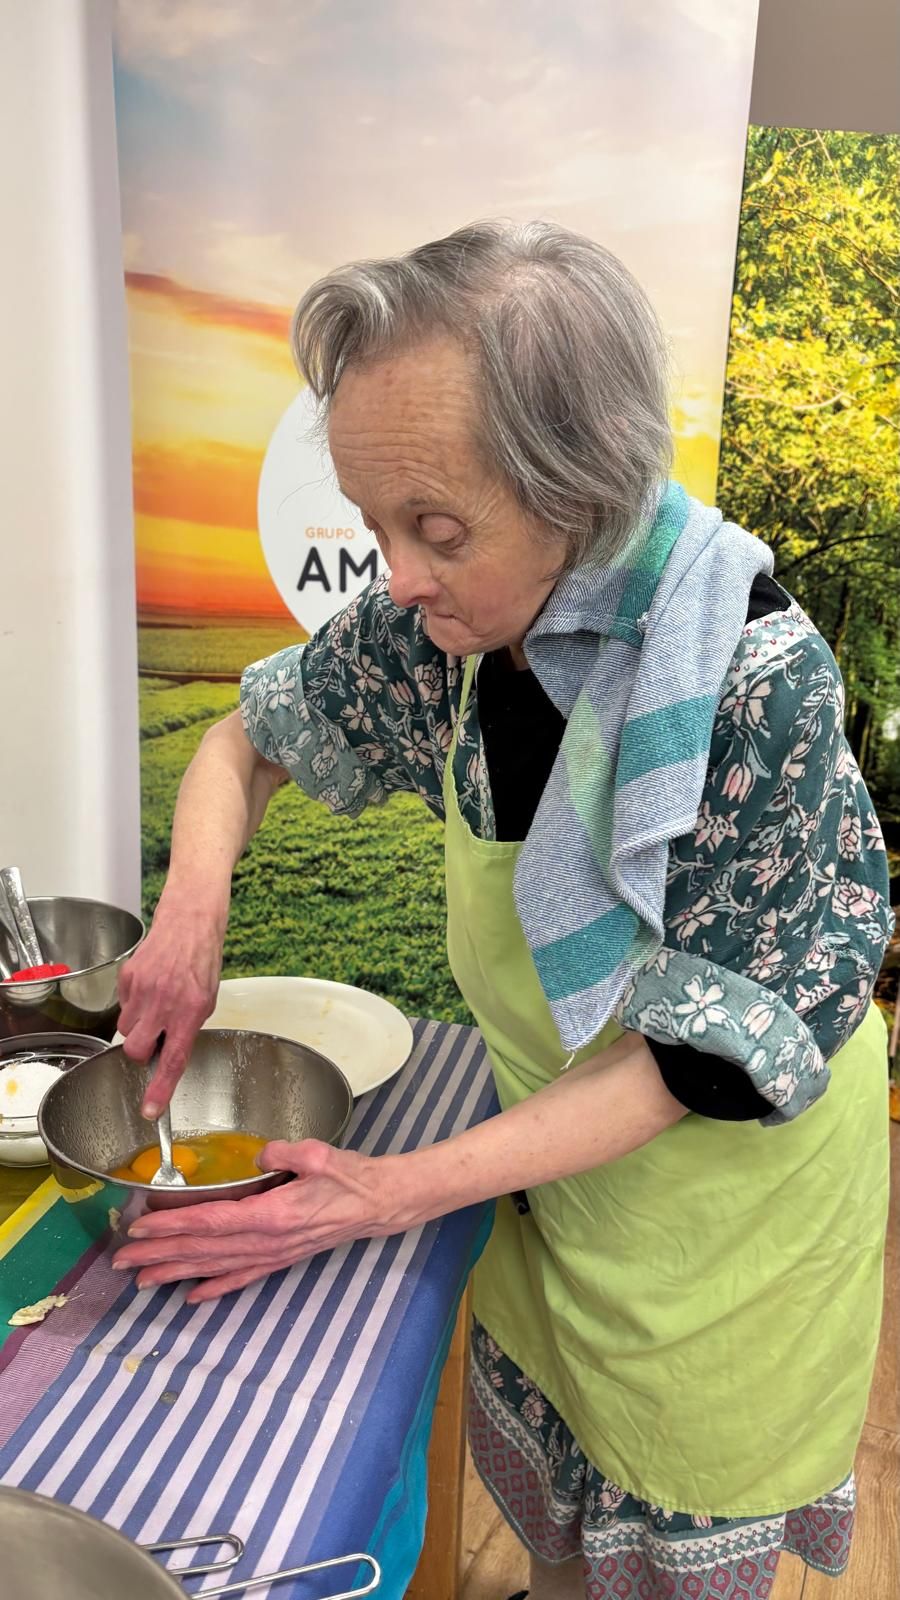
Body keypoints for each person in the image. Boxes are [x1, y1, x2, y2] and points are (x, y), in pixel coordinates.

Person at [114, 221, 893, 1600]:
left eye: (437, 530)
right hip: (545, 1171)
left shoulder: (752, 680)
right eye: (374, 525)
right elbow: (245, 741)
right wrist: (189, 909)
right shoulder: (449, 630)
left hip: (720, 1222)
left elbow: (702, 1064)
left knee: (666, 1529)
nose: (396, 577)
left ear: (578, 486)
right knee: (557, 1542)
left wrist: (384, 1194)